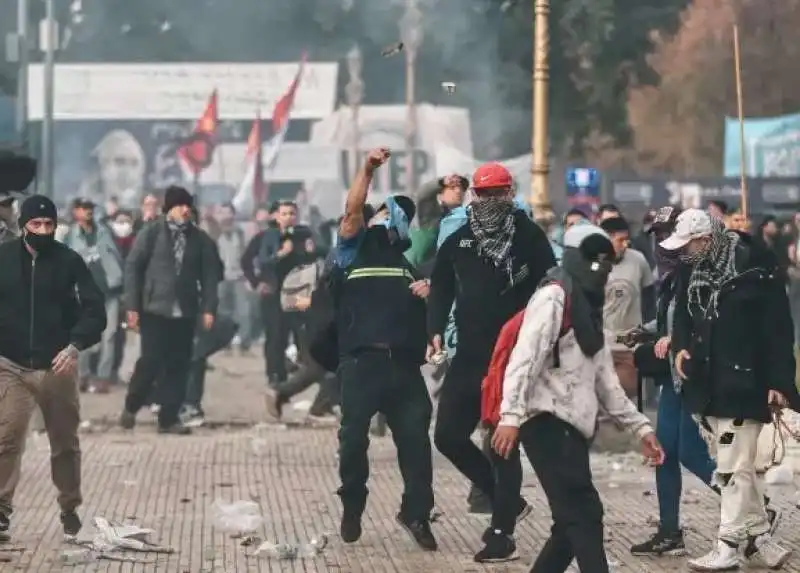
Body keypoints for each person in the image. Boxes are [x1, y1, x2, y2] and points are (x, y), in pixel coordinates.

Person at [491, 223, 664, 573]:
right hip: (544, 422)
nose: (600, 268)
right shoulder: (553, 298)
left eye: (606, 261)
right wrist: (510, 416)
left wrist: (641, 428)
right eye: (592, 259)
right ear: (573, 258)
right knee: (585, 514)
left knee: (569, 523)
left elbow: (605, 381)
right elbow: (524, 359)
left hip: (574, 428)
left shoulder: (589, 306)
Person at [628, 206, 781, 557]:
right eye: (659, 236)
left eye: (669, 234)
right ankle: (671, 530)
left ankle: (749, 521)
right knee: (666, 453)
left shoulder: (732, 269)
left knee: (709, 458)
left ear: (703, 239)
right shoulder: (677, 273)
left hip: (709, 377)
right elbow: (676, 317)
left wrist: (679, 343)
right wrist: (656, 337)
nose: (668, 246)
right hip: (675, 374)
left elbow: (724, 324)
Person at [427, 161, 556, 562]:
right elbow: (441, 286)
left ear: (510, 194)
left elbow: (552, 284)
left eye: (499, 194)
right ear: (474, 197)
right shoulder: (461, 239)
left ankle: (501, 534)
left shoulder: (529, 238)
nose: (491, 202)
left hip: (512, 358)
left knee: (502, 444)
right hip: (468, 355)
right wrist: (433, 328)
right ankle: (509, 500)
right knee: (447, 436)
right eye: (484, 195)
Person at [664, 209, 795, 570]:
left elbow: (778, 331)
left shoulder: (756, 271)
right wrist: (680, 348)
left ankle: (728, 544)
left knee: (731, 467)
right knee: (742, 467)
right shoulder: (691, 268)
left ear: (706, 240)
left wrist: (780, 382)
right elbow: (684, 317)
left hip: (746, 382)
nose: (683, 253)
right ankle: (761, 538)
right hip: (707, 382)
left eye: (688, 245)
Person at [333, 147, 437, 551]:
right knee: (353, 439)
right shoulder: (352, 249)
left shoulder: (407, 262)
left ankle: (416, 514)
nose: (392, 220)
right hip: (361, 364)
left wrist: (429, 295)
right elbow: (352, 208)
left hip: (405, 368)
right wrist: (368, 168)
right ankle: (353, 505)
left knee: (415, 442)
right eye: (388, 213)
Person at [0, 194, 106, 541]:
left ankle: (69, 507)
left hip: (57, 366)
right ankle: (1, 510)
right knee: (7, 437)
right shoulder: (3, 259)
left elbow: (95, 311)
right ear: (23, 226)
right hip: (11, 365)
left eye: (49, 225)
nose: (43, 230)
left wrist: (75, 346)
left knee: (64, 442)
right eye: (36, 224)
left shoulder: (69, 262)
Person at [120, 185, 220, 435]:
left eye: (188, 206)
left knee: (178, 365)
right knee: (150, 361)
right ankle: (132, 405)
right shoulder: (151, 233)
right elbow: (133, 269)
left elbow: (210, 276)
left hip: (185, 311)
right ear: (169, 209)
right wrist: (132, 307)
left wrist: (208, 308)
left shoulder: (200, 239)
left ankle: (168, 418)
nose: (185, 210)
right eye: (179, 206)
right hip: (154, 308)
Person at [240, 200, 316, 384]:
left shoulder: (303, 235)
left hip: (298, 292)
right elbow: (247, 260)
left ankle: (305, 371)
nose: (289, 217)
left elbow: (316, 255)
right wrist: (256, 282)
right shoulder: (265, 237)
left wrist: (311, 251)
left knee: (302, 333)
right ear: (275, 216)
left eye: (292, 213)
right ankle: (275, 374)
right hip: (273, 292)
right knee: (275, 335)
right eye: (285, 214)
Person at [62, 198, 124, 393]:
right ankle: (84, 374)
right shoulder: (70, 236)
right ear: (76, 212)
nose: (88, 212)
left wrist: (119, 279)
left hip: (109, 291)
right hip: (84, 293)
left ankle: (103, 378)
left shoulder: (105, 232)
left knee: (110, 335)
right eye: (84, 208)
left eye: (90, 208)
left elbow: (119, 255)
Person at [599, 216, 655, 396]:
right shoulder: (593, 264)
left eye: (626, 240)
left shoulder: (638, 260)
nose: (624, 245)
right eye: (619, 240)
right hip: (601, 347)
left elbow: (649, 300)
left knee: (626, 400)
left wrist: (645, 333)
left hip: (629, 346)